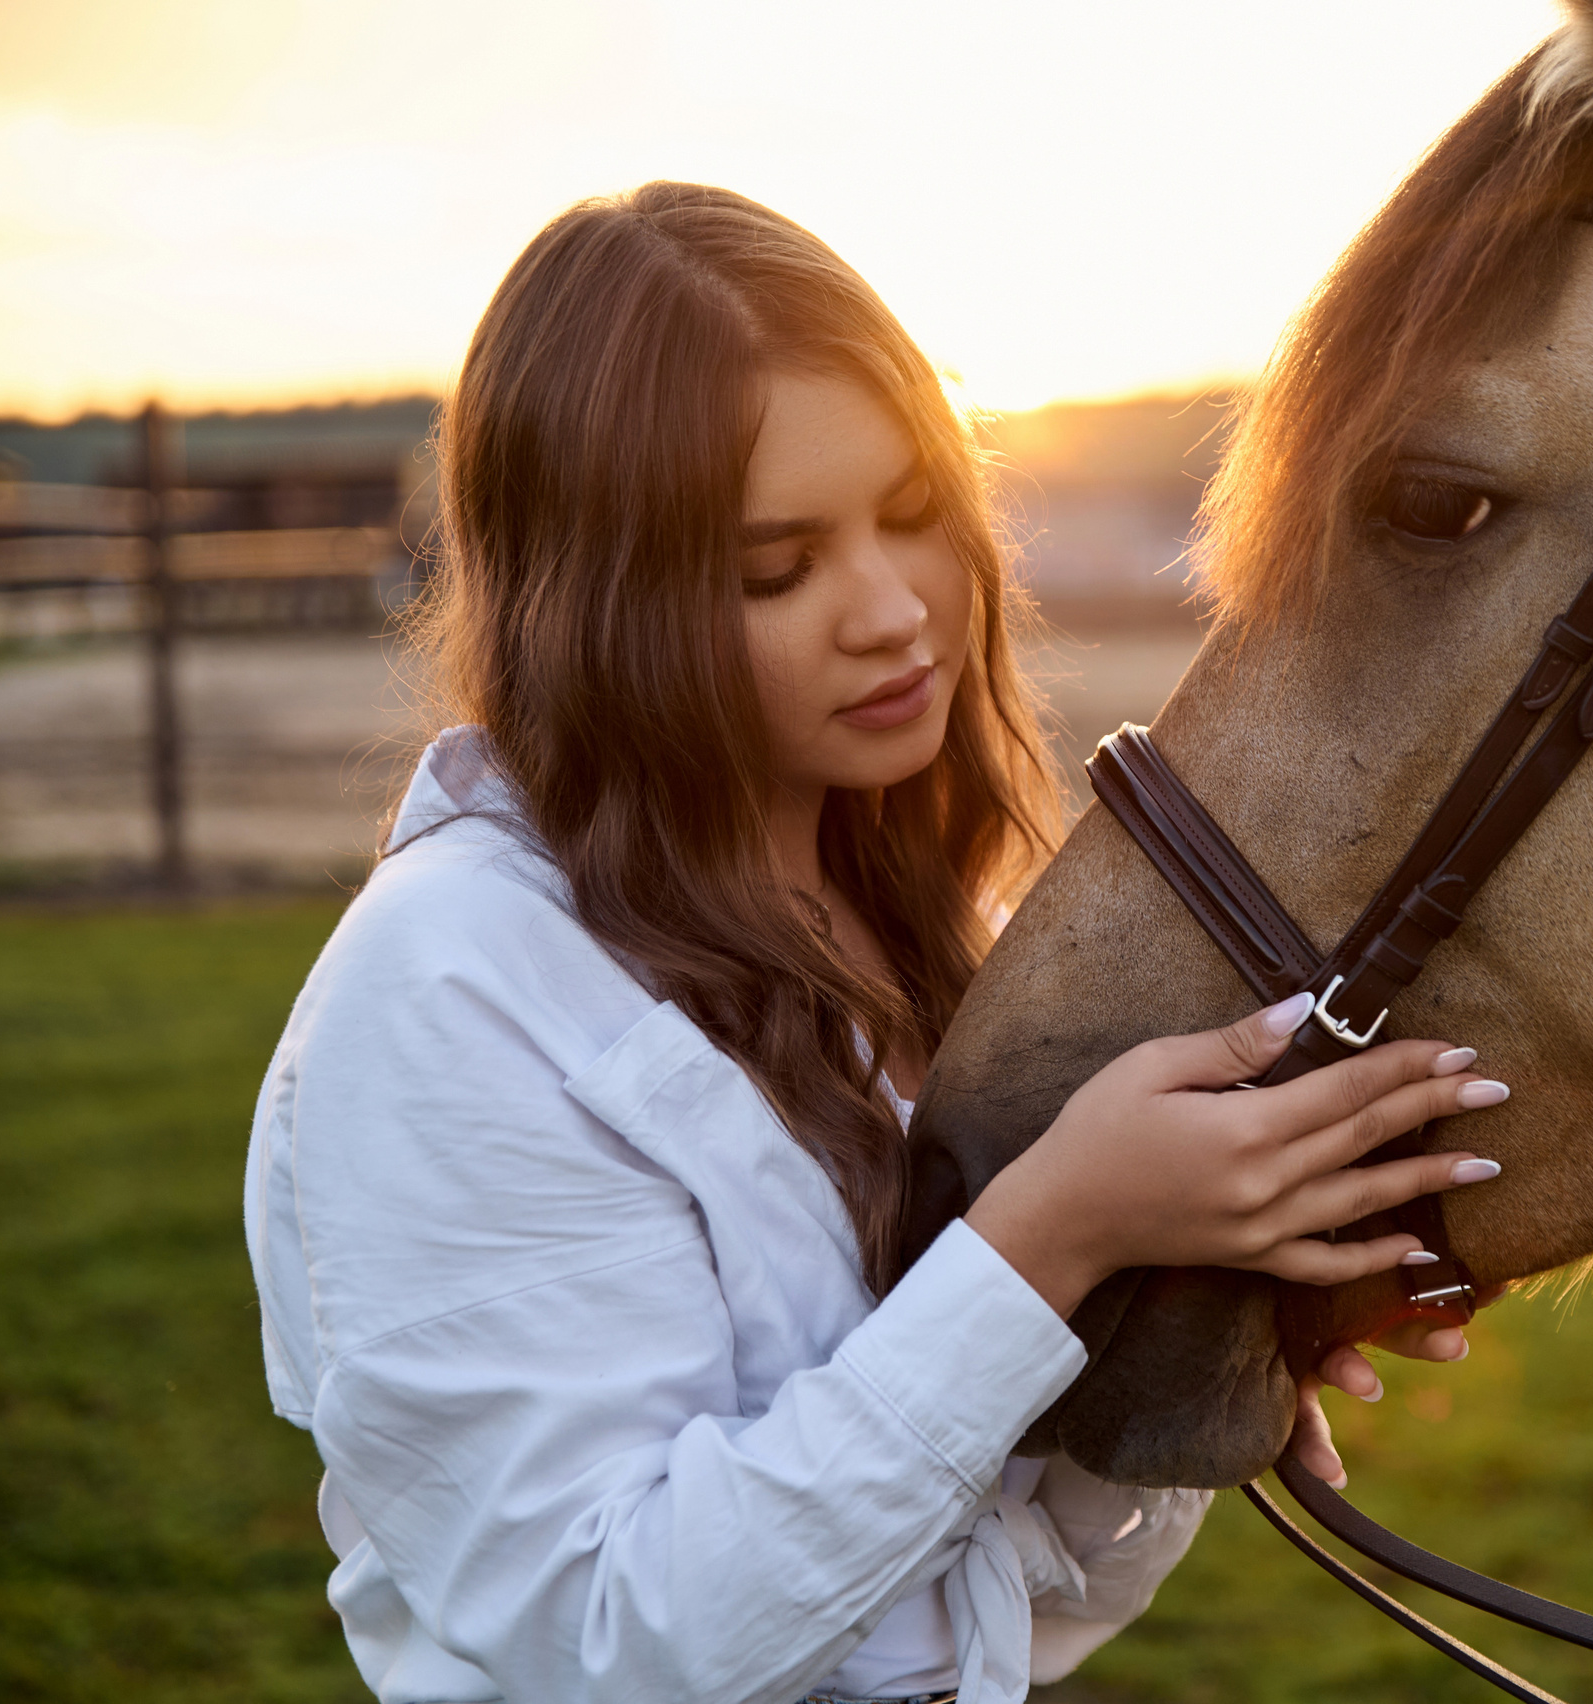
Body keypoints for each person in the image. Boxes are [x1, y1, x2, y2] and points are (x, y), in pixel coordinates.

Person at [242, 181, 1510, 1704]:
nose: (895, 609)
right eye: (776, 568)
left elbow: (1001, 1616)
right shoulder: (450, 990)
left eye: (915, 517)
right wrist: (1055, 1237)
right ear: (596, 607)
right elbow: (607, 1646)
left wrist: (1184, 1314)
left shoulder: (930, 915)